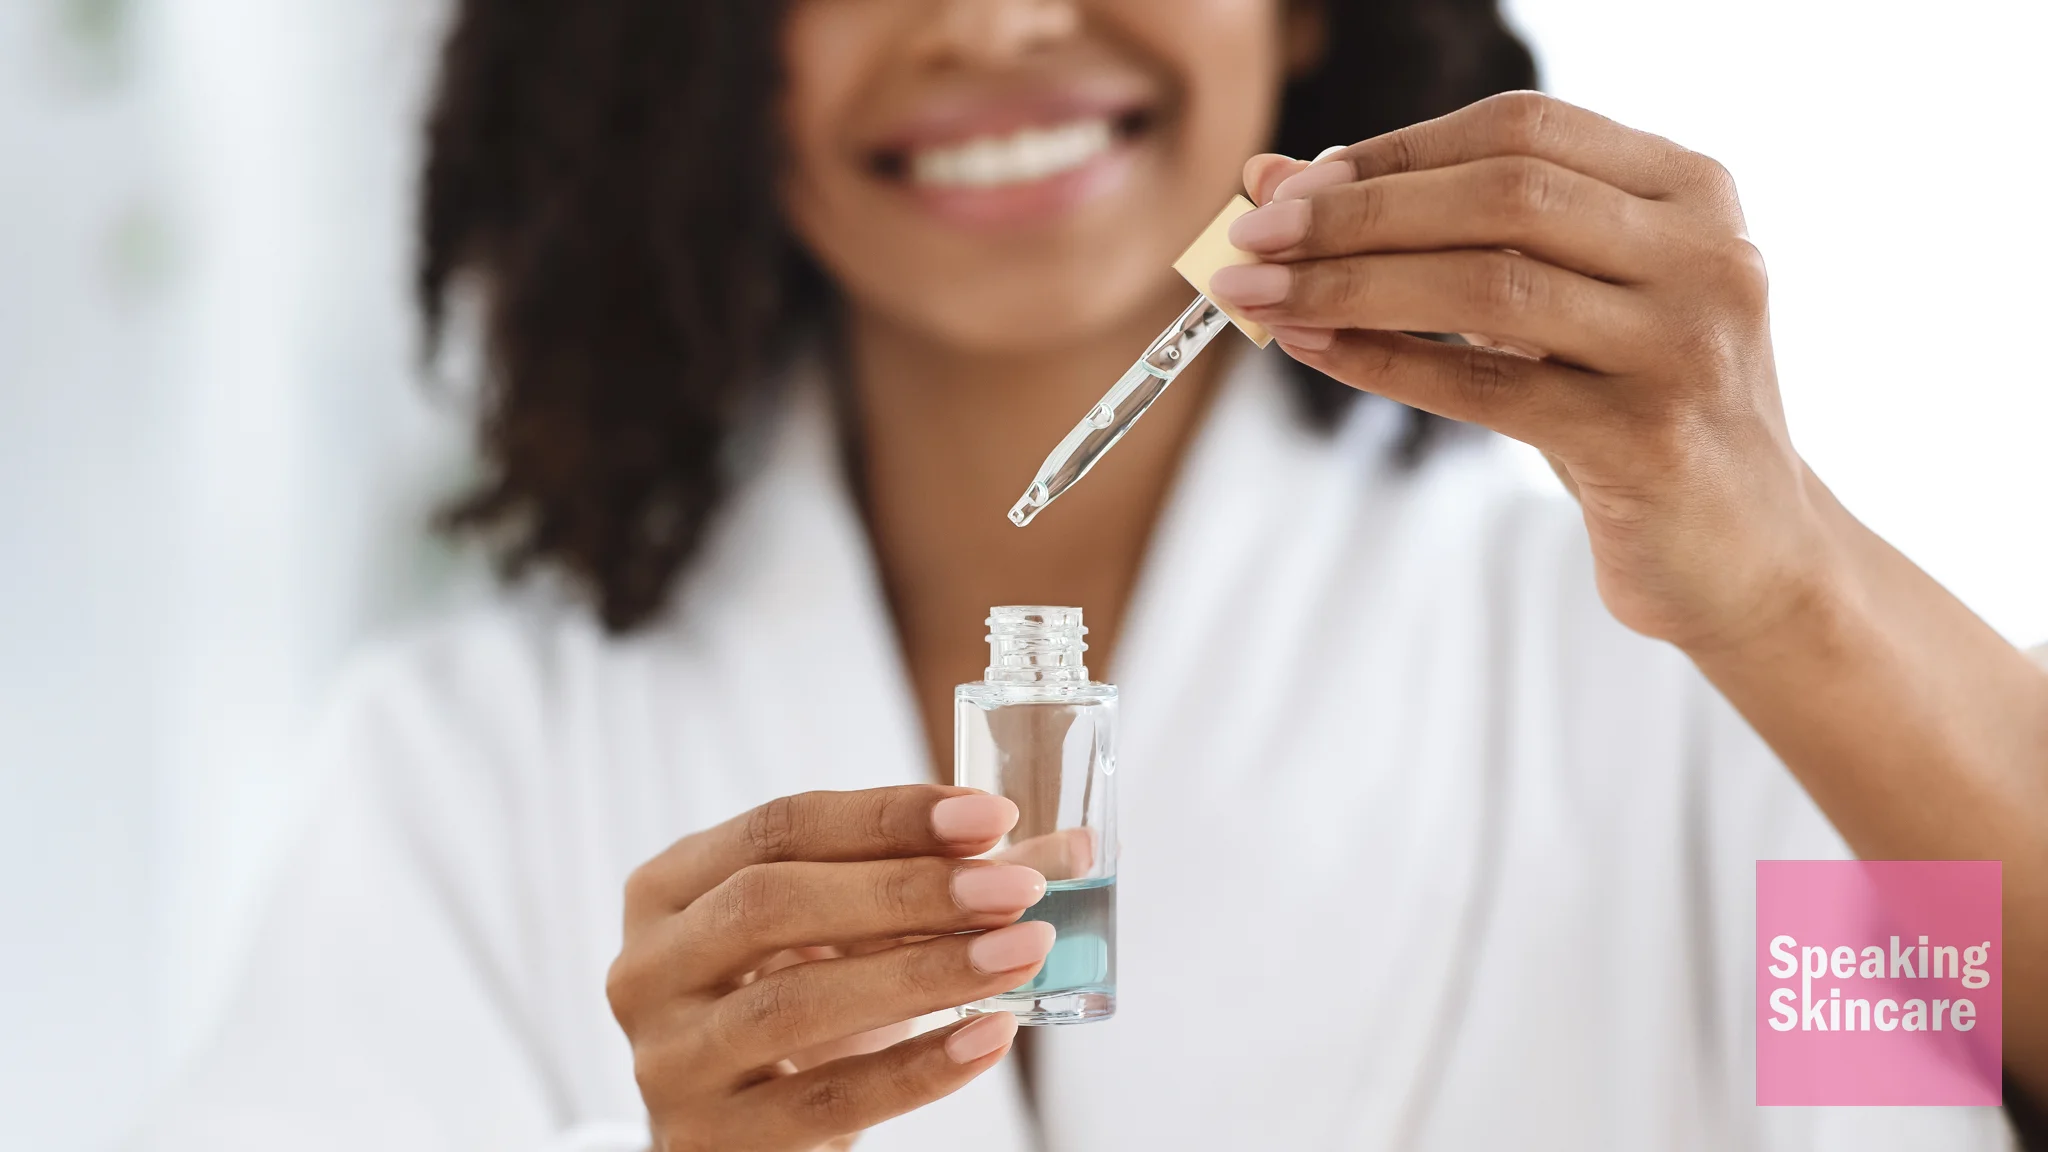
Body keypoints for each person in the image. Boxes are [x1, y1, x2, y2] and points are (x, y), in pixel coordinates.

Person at [145, 1, 2048, 1149]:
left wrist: (1789, 584)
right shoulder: (464, 772)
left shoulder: (1684, 688)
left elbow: (1951, 1050)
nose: (989, 19)